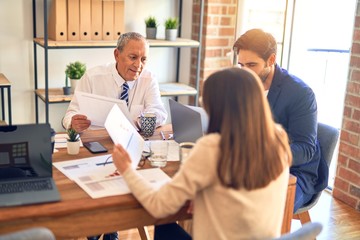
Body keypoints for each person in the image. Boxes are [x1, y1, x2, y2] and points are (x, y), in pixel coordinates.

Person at [112, 68, 292, 239]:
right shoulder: (278, 138)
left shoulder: (212, 148)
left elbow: (158, 205)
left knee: (163, 224)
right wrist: (207, 198)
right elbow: (243, 199)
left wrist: (127, 170)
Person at [233, 28, 329, 213]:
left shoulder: (300, 93)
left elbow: (306, 149)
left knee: (260, 212)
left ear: (271, 59)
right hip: (252, 167)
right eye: (241, 65)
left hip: (295, 173)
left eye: (252, 65)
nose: (245, 72)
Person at [62, 32, 167, 133]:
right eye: (133, 57)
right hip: (97, 140)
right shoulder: (91, 78)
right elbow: (70, 114)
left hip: (134, 139)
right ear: (117, 55)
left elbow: (159, 112)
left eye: (143, 59)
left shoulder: (149, 79)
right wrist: (73, 123)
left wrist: (140, 121)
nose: (138, 65)